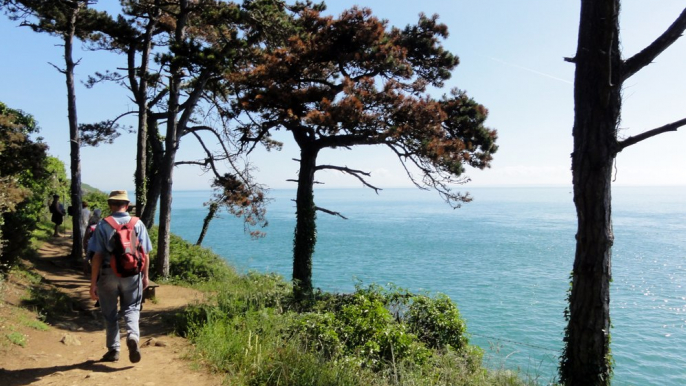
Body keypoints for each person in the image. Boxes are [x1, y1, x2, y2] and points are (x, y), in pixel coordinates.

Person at [89, 190, 151, 363]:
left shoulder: (103, 225)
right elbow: (145, 253)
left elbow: (97, 256)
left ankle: (114, 350)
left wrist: (93, 283)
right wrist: (145, 276)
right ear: (127, 205)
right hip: (132, 274)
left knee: (110, 313)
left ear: (110, 205)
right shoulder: (138, 224)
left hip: (108, 273)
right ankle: (133, 337)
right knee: (131, 308)